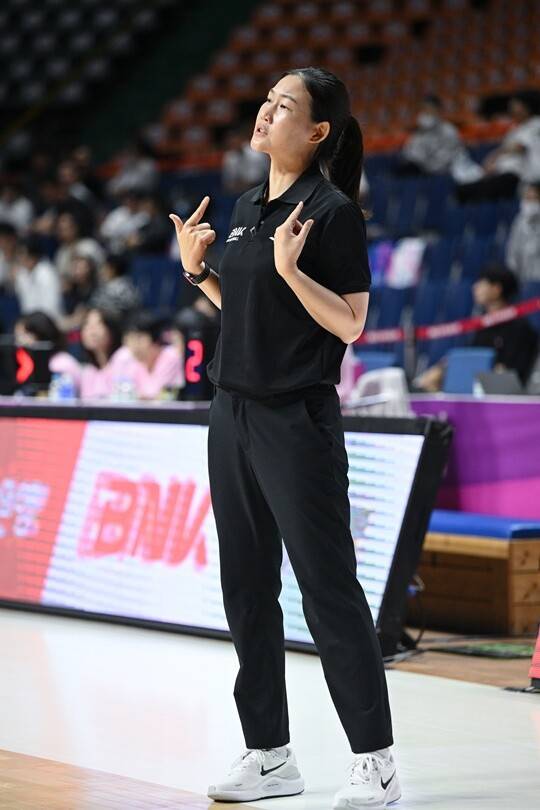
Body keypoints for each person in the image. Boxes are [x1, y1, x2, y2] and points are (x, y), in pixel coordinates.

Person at [170, 67, 398, 809]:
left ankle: (375, 761)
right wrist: (198, 274)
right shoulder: (243, 207)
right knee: (246, 588)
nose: (266, 112)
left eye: (284, 105)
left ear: (318, 131)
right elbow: (247, 308)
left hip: (296, 420)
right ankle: (269, 754)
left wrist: (293, 272)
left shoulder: (333, 212)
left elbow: (351, 323)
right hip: (231, 413)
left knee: (328, 589)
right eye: (266, 100)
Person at [414, 265, 538, 391]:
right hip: (475, 387)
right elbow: (471, 357)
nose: (475, 287)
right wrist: (441, 370)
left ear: (496, 289)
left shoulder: (520, 328)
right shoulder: (482, 325)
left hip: (502, 393)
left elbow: (509, 374)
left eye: (482, 283)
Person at [457, 94, 540, 202]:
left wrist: (494, 156)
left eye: (516, 105)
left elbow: (519, 147)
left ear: (527, 107)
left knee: (467, 191)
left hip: (518, 176)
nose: (512, 109)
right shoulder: (515, 127)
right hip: (502, 173)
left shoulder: (536, 123)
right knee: (465, 189)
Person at [398, 95, 475, 178]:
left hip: (445, 175)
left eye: (429, 110)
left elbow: (451, 158)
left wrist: (425, 165)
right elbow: (409, 155)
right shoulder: (418, 134)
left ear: (438, 111)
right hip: (422, 174)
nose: (425, 114)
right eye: (423, 110)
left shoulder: (448, 130)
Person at [120, 311, 184, 399]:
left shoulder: (171, 357)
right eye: (130, 339)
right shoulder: (133, 361)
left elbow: (159, 395)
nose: (134, 346)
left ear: (155, 340)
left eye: (139, 338)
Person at [14, 310, 80, 381]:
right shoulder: (25, 362)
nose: (19, 341)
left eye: (24, 335)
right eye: (17, 336)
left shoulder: (61, 364)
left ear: (39, 335)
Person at [13, 234, 63, 319]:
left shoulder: (47, 273)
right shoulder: (22, 273)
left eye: (22, 254)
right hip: (30, 319)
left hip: (49, 320)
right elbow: (25, 304)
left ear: (34, 255)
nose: (20, 258)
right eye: (19, 254)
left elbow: (51, 307)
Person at [506, 181, 540, 283]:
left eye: (534, 199)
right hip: (523, 279)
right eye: (527, 198)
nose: (530, 204)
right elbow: (512, 252)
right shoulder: (519, 221)